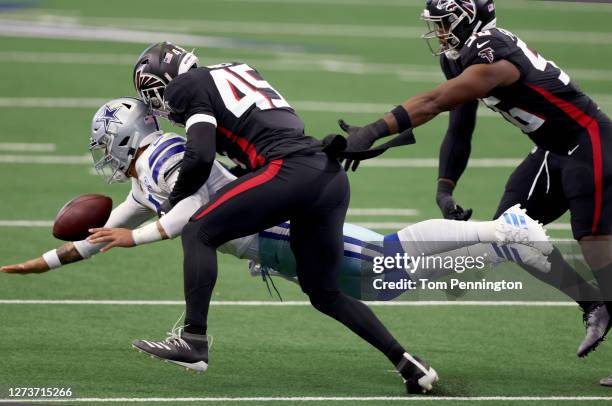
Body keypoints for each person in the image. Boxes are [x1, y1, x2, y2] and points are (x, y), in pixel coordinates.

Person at [0, 99, 552, 303]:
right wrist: (43, 264)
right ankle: (504, 244)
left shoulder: (166, 155)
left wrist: (137, 236)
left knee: (387, 265)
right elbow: (105, 235)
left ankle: (506, 230)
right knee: (387, 280)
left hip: (273, 229)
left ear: (125, 136)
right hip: (266, 238)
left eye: (105, 144)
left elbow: (190, 213)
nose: (103, 155)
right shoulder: (148, 173)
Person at [336, 0, 611, 364]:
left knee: (595, 245)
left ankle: (605, 301)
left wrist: (373, 130)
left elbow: (435, 101)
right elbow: (459, 126)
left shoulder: (492, 48)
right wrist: (445, 188)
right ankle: (595, 306)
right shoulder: (457, 57)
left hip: (588, 140)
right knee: (511, 235)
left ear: (471, 18)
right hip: (551, 149)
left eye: (446, 22)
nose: (439, 32)